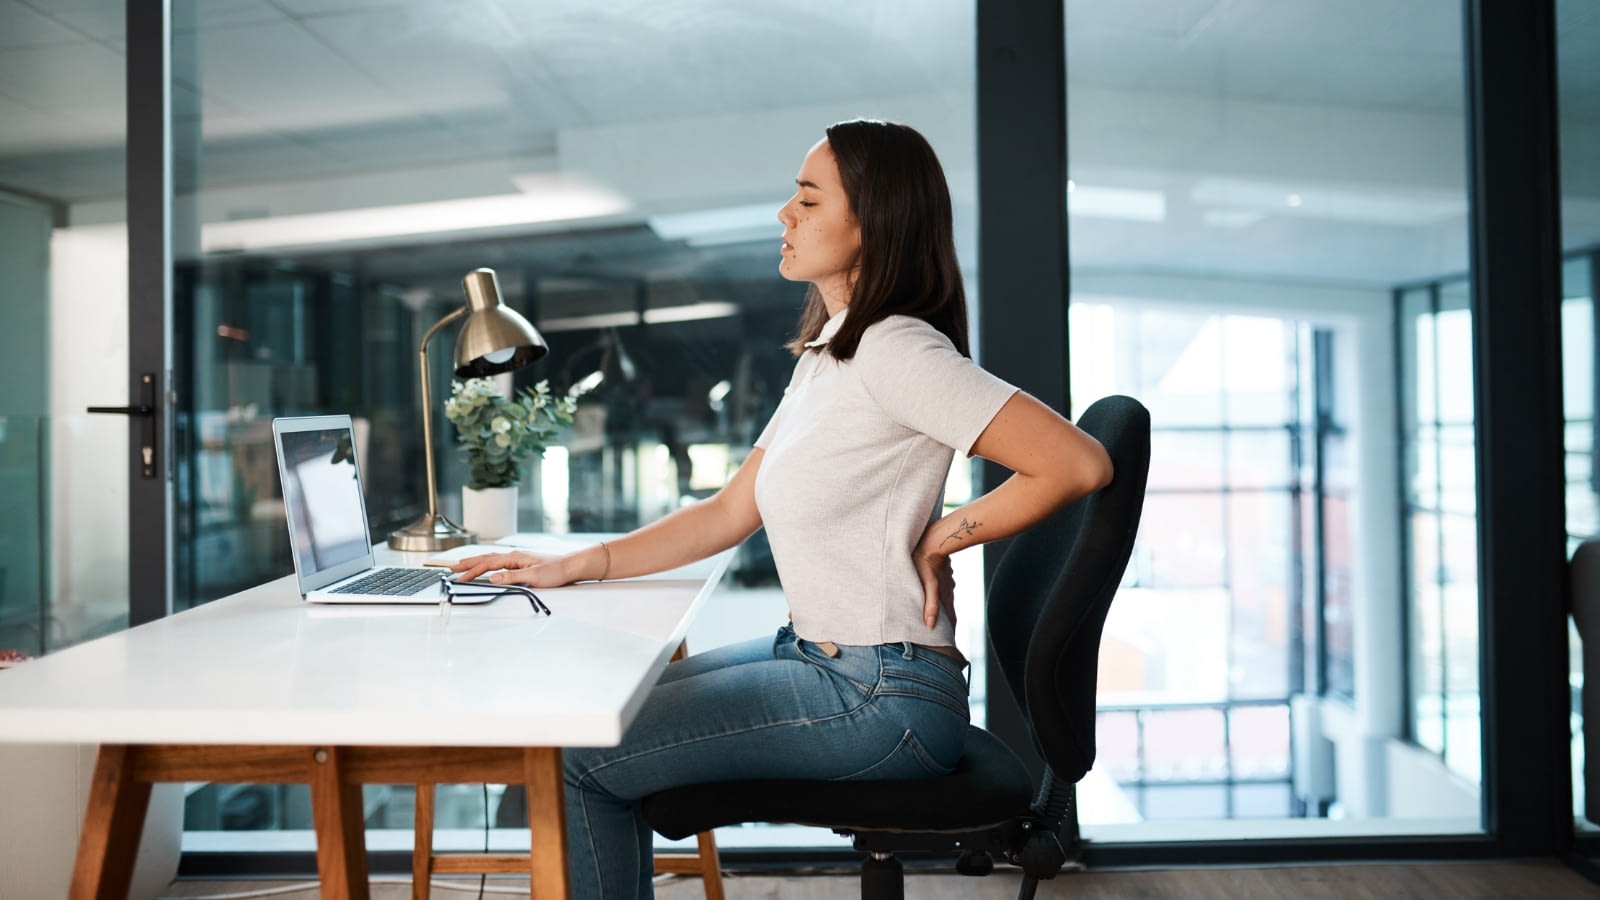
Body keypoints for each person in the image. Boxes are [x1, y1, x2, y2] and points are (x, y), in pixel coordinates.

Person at [451, 118, 1114, 899]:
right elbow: (730, 511)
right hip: (823, 658)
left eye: (807, 199)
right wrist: (574, 565)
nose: (783, 215)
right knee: (605, 705)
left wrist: (944, 537)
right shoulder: (832, 351)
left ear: (876, 222)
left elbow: (1078, 462)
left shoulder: (899, 350)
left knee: (576, 757)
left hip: (878, 694)